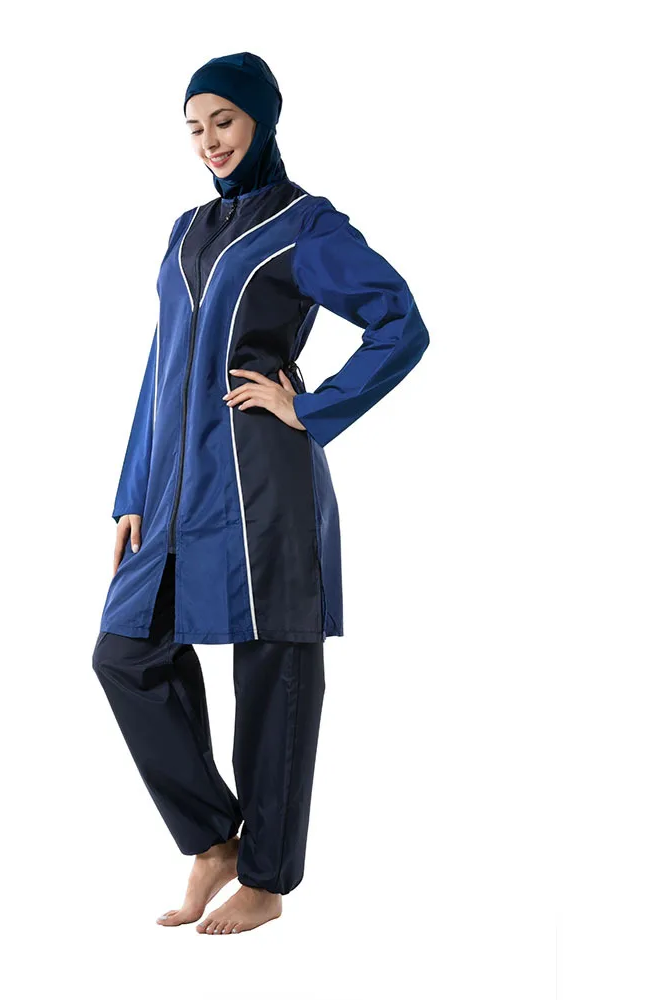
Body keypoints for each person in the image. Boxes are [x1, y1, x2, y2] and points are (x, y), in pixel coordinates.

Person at [92, 52, 430, 934]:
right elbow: (161, 364)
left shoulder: (304, 224)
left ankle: (268, 879)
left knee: (274, 669)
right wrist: (131, 491)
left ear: (262, 122)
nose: (209, 142)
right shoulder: (186, 230)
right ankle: (214, 840)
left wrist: (308, 408)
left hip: (260, 482)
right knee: (125, 654)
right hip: (176, 486)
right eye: (195, 128)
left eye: (225, 122)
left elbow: (401, 322)